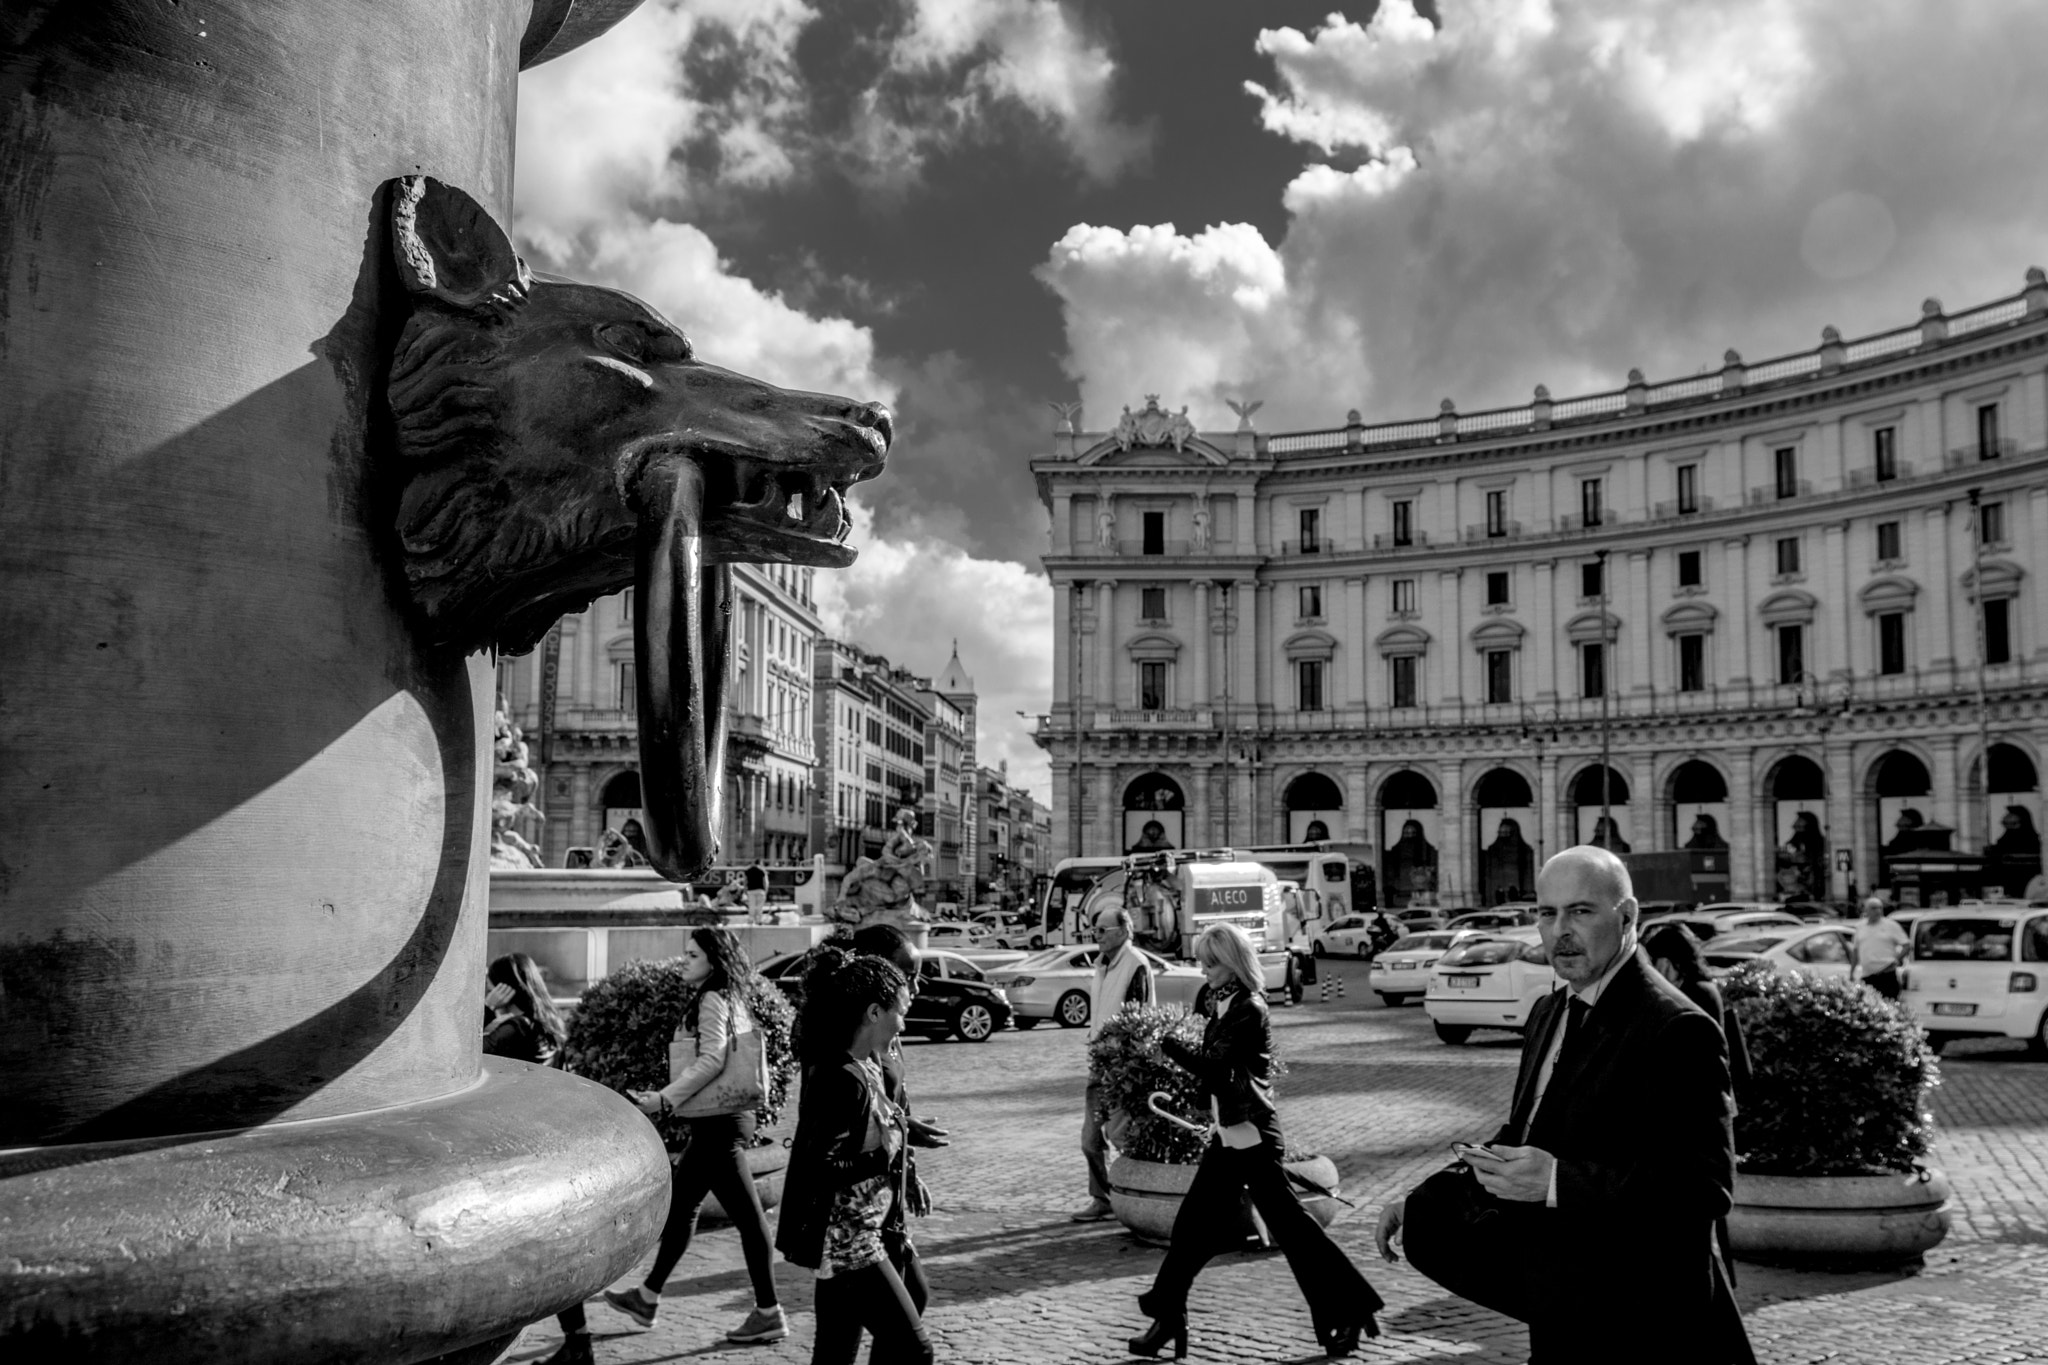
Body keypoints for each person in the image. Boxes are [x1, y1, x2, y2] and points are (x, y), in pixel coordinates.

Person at [1375, 846, 1752, 1365]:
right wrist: (1426, 1198)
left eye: (1580, 911)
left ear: (1627, 918)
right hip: (1565, 1311)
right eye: (1546, 913)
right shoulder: (1549, 1011)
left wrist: (1556, 1184)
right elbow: (1523, 1134)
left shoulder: (1675, 1028)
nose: (1559, 931)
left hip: (1647, 1325)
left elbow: (1702, 1187)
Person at [1128, 924, 1383, 1359]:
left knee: (1295, 1232)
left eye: (1212, 962)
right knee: (1191, 1228)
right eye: (1202, 961)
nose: (1204, 969)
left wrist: (1164, 1045)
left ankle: (1351, 1309)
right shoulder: (1223, 1003)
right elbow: (1224, 1076)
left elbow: (1215, 1065)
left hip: (1255, 1139)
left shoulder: (1249, 1007)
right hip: (1233, 1135)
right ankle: (1167, 1317)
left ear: (1235, 963)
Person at [602, 928, 785, 1345]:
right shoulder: (731, 996)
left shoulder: (712, 998)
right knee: (684, 1207)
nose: (684, 960)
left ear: (713, 961)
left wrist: (664, 1100)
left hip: (720, 1125)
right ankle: (647, 1297)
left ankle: (769, 1311)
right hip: (724, 1121)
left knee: (748, 1219)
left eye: (692, 954)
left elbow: (712, 1059)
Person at [776, 948, 933, 1365]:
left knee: (833, 1357)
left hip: (866, 1233)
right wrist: (882, 1159)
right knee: (915, 1351)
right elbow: (819, 1168)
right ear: (873, 1012)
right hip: (848, 1245)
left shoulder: (866, 1066)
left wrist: (904, 1141)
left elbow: (875, 1127)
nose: (903, 1022)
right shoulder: (839, 1077)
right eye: (899, 1012)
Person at [480, 955, 591, 1365]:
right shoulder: (549, 1025)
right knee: (555, 1253)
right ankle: (579, 1344)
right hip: (545, 1148)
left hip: (509, 1154)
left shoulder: (510, 1030)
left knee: (517, 1253)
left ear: (504, 988)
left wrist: (487, 1009)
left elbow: (461, 1060)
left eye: (491, 985)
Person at [848, 924, 952, 1316]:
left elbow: (896, 1102)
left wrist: (908, 1168)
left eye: (916, 977)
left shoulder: (889, 1030)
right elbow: (863, 1117)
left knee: (865, 1320)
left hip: (886, 1193)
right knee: (908, 1307)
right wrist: (902, 1134)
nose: (915, 987)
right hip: (856, 1209)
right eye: (907, 976)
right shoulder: (849, 1039)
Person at [1073, 905, 1158, 1221]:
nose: (1096, 937)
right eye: (1095, 930)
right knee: (1090, 1140)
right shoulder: (1102, 965)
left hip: (1122, 1068)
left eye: (1102, 930)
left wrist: (1129, 1063)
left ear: (1124, 931)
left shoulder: (1135, 964)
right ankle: (1103, 1198)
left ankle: (1141, 1196)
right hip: (1099, 1064)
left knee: (1122, 1136)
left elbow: (1140, 1019)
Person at [481, 952, 564, 1068]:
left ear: (503, 990)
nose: (488, 995)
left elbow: (467, 1052)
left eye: (490, 991)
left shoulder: (516, 1029)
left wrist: (488, 1007)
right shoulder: (549, 1020)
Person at [1852, 895, 1910, 1001]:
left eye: (1880, 908)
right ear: (1866, 910)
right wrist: (1851, 972)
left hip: (1886, 974)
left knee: (1889, 1005)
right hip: (1868, 975)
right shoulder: (1860, 927)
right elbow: (1855, 950)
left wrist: (1896, 960)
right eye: (1874, 908)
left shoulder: (1891, 925)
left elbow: (1906, 945)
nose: (1878, 911)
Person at [1988, 806, 2043, 898]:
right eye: (2005, 823)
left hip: (2026, 882)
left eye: (2013, 824)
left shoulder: (2031, 840)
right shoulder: (2005, 839)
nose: (2008, 827)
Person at [1482, 817, 1536, 906]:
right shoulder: (1492, 851)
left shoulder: (1525, 851)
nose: (1504, 836)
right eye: (1502, 833)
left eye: (1506, 833)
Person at [745, 858, 769, 924]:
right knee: (759, 906)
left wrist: (745, 890)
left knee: (751, 906)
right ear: (760, 863)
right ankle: (759, 920)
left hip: (751, 891)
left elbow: (745, 882)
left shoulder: (748, 871)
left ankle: (751, 919)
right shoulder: (763, 871)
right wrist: (765, 892)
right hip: (760, 891)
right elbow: (766, 882)